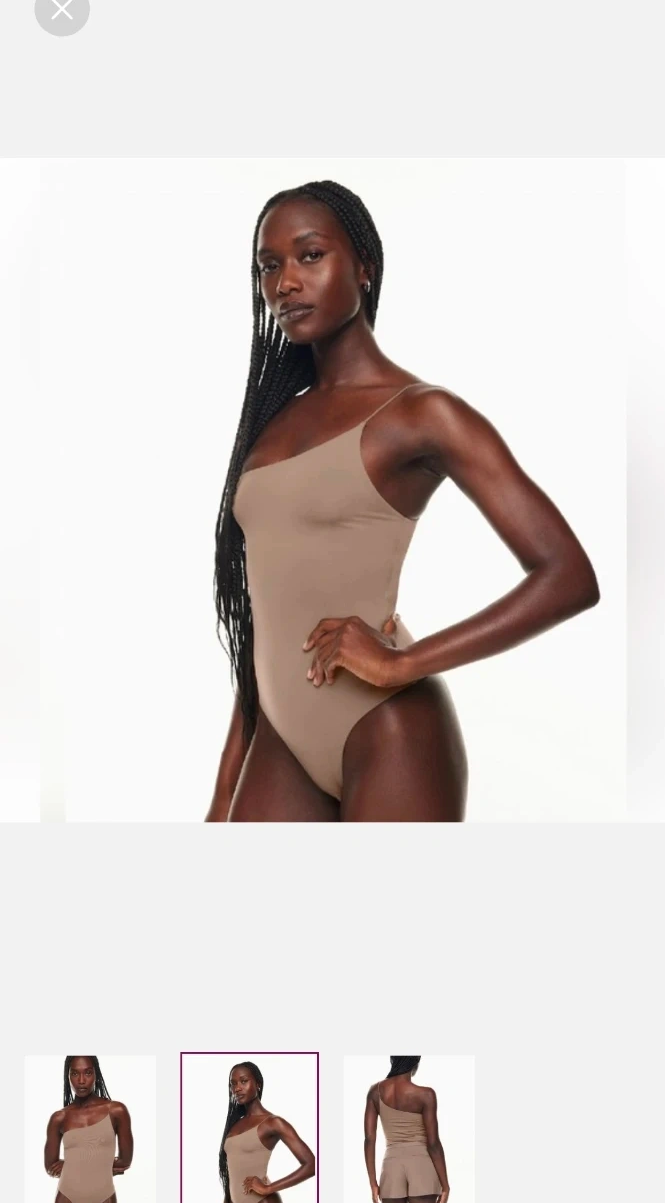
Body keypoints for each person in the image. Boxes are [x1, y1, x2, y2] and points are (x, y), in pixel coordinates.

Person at [207, 178, 599, 822]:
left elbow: (568, 576)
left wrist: (405, 663)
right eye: (269, 266)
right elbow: (262, 616)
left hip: (388, 731)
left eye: (310, 255)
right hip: (280, 735)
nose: (286, 283)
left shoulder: (420, 414)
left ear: (364, 267)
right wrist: (225, 788)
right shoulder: (271, 421)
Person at [217, 1061, 315, 1203]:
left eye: (243, 1081)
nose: (237, 1088)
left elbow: (312, 1164)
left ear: (258, 1084)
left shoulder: (273, 1123)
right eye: (233, 1084)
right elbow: (231, 1177)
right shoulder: (234, 1125)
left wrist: (268, 1188)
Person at [44, 1055, 133, 1203]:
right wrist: (76, 1165)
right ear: (68, 1076)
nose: (81, 1080)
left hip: (103, 1200)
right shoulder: (59, 1118)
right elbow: (50, 1166)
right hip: (66, 1201)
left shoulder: (116, 1111)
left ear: (96, 1074)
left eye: (88, 1073)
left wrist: (96, 1165)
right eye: (75, 1073)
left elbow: (125, 1160)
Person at [364, 1056, 449, 1203]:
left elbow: (369, 1139)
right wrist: (445, 1185)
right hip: (422, 1166)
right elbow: (433, 1144)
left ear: (392, 1061)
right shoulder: (426, 1094)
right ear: (415, 1063)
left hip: (392, 1166)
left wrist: (373, 1183)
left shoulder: (375, 1092)